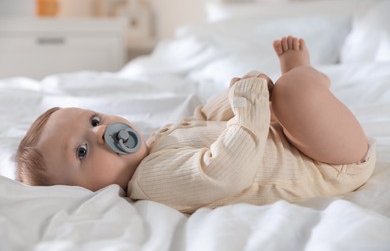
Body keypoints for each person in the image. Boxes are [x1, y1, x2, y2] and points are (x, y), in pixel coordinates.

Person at [16, 36, 376, 213]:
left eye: (94, 120)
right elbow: (224, 171)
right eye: (81, 151)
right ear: (85, 192)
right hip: (331, 163)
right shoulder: (153, 181)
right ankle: (304, 77)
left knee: (285, 98)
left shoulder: (157, 144)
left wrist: (231, 100)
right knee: (295, 92)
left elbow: (201, 119)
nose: (99, 132)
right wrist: (250, 106)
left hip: (294, 141)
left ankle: (295, 90)